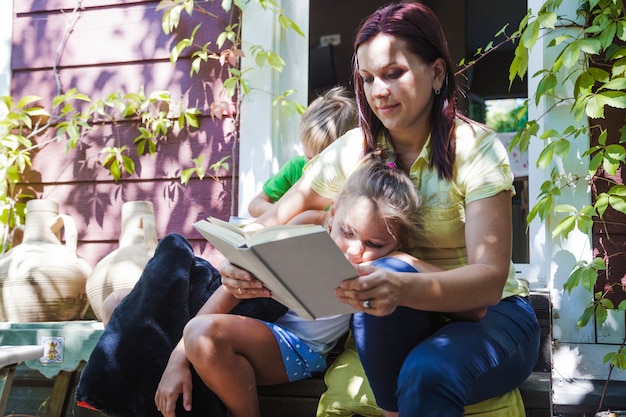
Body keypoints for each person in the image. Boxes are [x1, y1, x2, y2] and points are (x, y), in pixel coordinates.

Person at [219, 3, 541, 416]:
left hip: (492, 319)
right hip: (398, 315)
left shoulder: (475, 149)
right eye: (368, 78)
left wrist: (403, 278)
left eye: (394, 73)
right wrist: (238, 262)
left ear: (438, 73)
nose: (378, 91)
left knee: (427, 370)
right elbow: (269, 222)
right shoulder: (354, 148)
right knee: (385, 283)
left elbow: (488, 283)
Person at [156, 154, 432, 417]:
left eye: (374, 244)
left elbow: (440, 276)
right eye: (347, 232)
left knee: (200, 332)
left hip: (298, 349)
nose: (356, 250)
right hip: (251, 322)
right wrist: (177, 359)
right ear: (333, 215)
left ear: (397, 242)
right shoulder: (307, 230)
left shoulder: (388, 265)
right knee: (122, 302)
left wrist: (402, 258)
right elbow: (232, 289)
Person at [247, 85, 357, 225]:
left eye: (322, 163)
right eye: (310, 158)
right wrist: (285, 212)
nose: (313, 167)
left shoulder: (350, 182)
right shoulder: (296, 167)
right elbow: (255, 204)